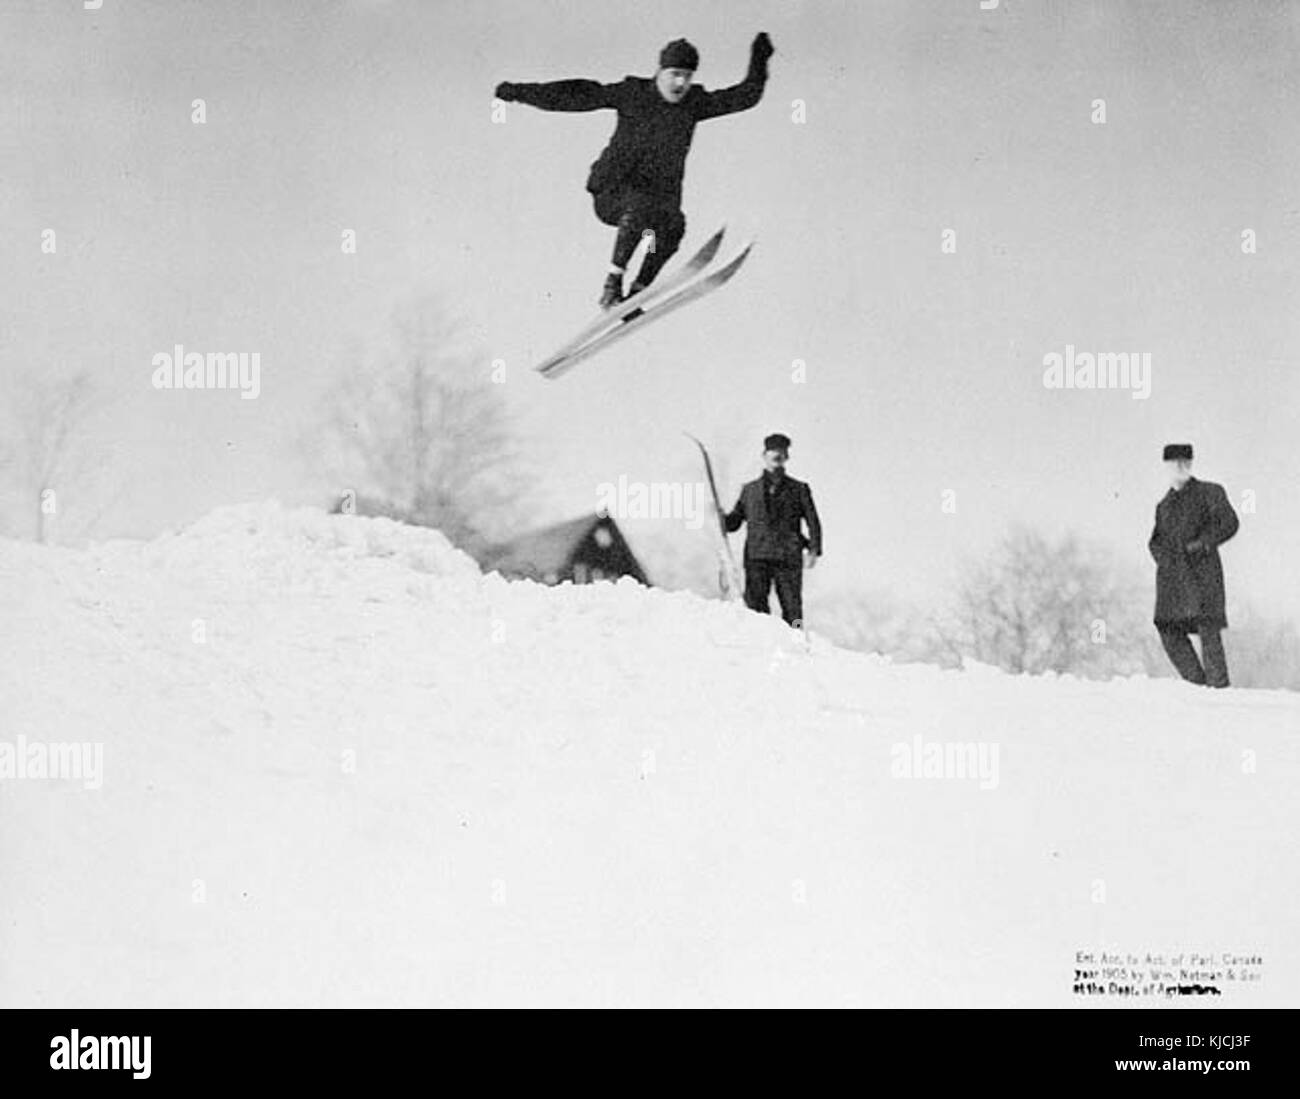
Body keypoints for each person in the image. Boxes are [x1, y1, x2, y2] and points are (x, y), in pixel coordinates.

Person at [494, 34, 774, 308]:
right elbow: (577, 95)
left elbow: (744, 96)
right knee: (641, 208)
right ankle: (613, 282)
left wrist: (759, 58)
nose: (681, 83)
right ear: (660, 72)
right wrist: (519, 92)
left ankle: (637, 292)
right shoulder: (633, 94)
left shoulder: (693, 105)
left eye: (687, 76)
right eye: (675, 74)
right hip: (612, 197)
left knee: (671, 227)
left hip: (647, 226)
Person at [1147, 443, 1239, 687]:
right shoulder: (1164, 506)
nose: (1181, 467)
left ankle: (1218, 691)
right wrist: (1164, 560)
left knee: (1208, 630)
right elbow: (1154, 541)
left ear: (1192, 463)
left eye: (1186, 462)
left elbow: (1229, 522)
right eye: (1175, 463)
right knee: (1168, 631)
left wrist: (1204, 544)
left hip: (1202, 577)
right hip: (1173, 583)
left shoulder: (1210, 492)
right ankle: (1197, 686)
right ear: (1166, 467)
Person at [722, 433, 822, 627]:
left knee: (793, 610)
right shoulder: (749, 490)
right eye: (773, 451)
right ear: (765, 455)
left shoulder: (799, 489)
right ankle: (757, 643)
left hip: (788, 557)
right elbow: (734, 523)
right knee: (755, 608)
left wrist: (814, 550)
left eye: (782, 452)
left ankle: (798, 643)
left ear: (787, 457)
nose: (778, 455)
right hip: (757, 557)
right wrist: (720, 518)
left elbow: (813, 521)